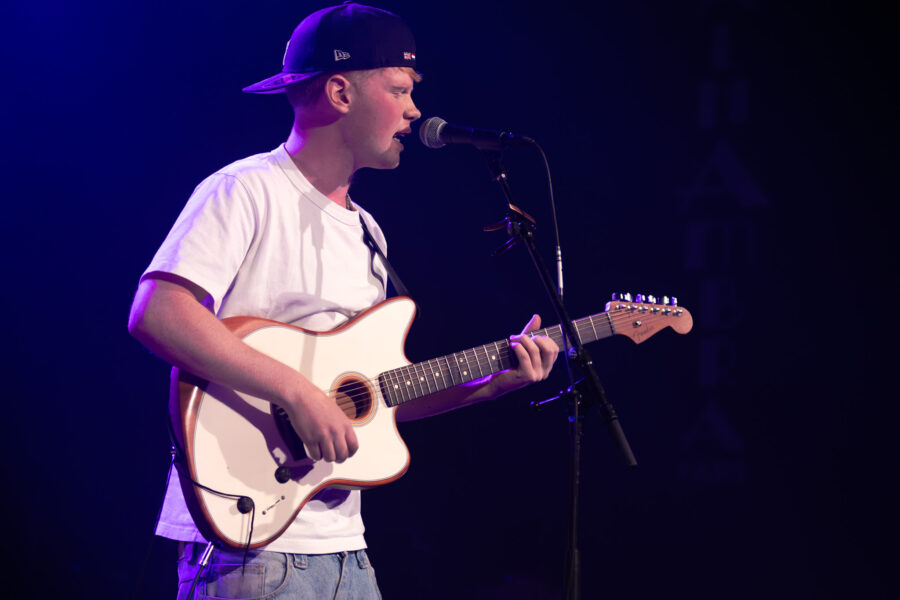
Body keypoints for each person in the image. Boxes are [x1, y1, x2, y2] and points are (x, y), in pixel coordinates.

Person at [128, 3, 559, 598]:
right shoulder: (245, 190)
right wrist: (294, 390)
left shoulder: (368, 231)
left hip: (346, 552)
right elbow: (157, 313)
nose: (415, 110)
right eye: (400, 90)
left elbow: (371, 401)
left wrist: (488, 385)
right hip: (248, 550)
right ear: (339, 92)